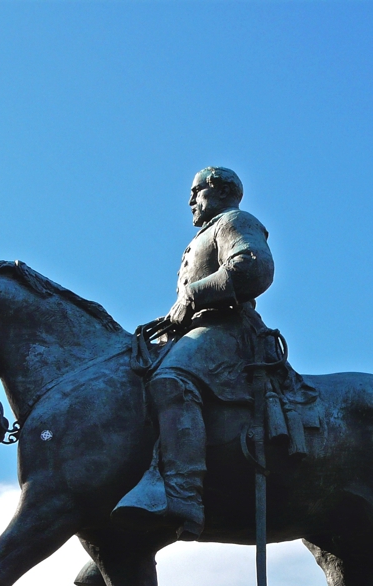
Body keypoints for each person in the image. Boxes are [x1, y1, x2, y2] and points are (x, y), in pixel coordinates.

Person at [113, 167, 275, 539]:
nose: (189, 201)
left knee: (171, 380)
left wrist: (192, 295)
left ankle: (183, 494)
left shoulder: (235, 221)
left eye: (196, 191)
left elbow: (254, 266)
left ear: (219, 191)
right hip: (199, 329)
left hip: (230, 330)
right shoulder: (203, 235)